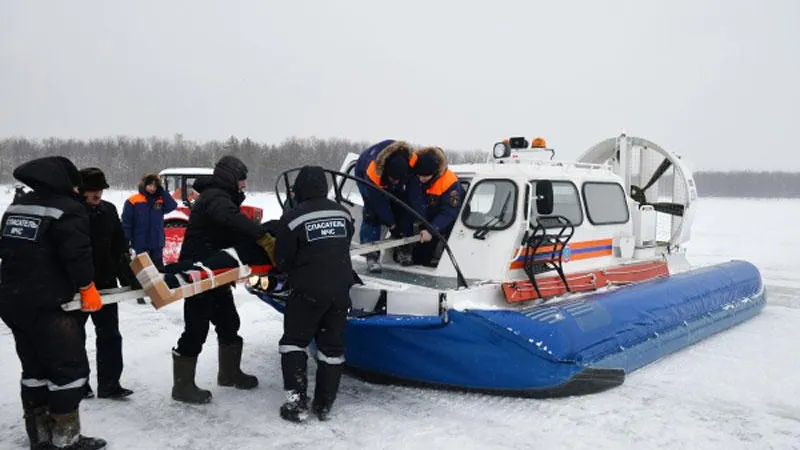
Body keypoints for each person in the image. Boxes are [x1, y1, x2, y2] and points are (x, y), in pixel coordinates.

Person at [0, 156, 107, 449]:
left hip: (13, 301)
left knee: (34, 368)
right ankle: (66, 439)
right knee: (67, 369)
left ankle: (39, 435)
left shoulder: (17, 207)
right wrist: (87, 286)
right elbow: (77, 254)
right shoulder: (68, 209)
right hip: (49, 305)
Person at [171, 155, 267, 404]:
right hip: (199, 273)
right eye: (242, 180)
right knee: (196, 328)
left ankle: (229, 373)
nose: (244, 186)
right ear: (231, 178)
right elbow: (230, 220)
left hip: (217, 272)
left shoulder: (221, 197)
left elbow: (229, 230)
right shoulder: (215, 197)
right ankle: (182, 387)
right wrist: (260, 235)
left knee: (228, 322)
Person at [273, 165, 355, 422]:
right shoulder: (343, 213)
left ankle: (297, 404)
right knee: (331, 348)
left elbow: (283, 260)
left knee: (293, 342)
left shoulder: (293, 217)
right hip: (341, 289)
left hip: (308, 291)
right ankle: (324, 404)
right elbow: (344, 242)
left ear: (299, 188)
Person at [77, 167, 136, 400]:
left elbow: (121, 247)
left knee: (110, 334)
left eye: (100, 189)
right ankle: (79, 384)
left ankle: (110, 384)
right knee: (74, 337)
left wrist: (129, 277)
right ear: (81, 191)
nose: (97, 194)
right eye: (92, 190)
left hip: (106, 283)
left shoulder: (109, 210)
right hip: (78, 285)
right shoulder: (71, 213)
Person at [354, 139, 417, 272]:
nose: (395, 182)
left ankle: (404, 249)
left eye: (398, 179)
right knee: (372, 213)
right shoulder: (373, 171)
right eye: (393, 179)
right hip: (363, 171)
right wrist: (391, 224)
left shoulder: (413, 162)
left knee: (403, 207)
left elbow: (412, 194)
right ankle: (371, 254)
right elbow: (377, 201)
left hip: (395, 174)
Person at [121, 173, 178, 303]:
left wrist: (163, 192)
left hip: (157, 241)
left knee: (158, 269)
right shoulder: (133, 201)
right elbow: (127, 222)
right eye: (150, 185)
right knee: (142, 270)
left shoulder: (160, 200)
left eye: (155, 186)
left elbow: (172, 206)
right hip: (140, 241)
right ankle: (139, 293)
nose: (152, 188)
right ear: (144, 185)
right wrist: (126, 240)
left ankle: (157, 294)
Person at [407, 146, 465, 267]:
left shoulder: (450, 184)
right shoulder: (416, 177)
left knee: (450, 255)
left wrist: (431, 230)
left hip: (447, 221)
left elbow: (450, 212)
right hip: (428, 218)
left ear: (434, 173)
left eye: (425, 176)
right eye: (419, 176)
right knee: (419, 256)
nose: (421, 179)